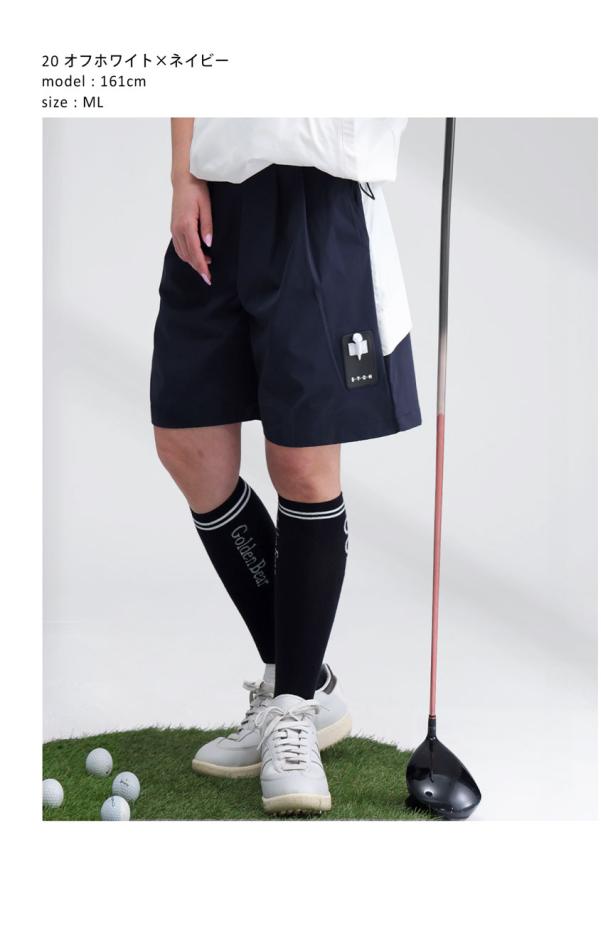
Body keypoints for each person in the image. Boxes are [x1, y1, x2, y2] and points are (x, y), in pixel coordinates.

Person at [150, 118, 421, 814]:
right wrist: (183, 173)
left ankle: (293, 704)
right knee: (187, 443)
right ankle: (306, 680)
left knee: (301, 463)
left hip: (315, 192)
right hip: (217, 193)